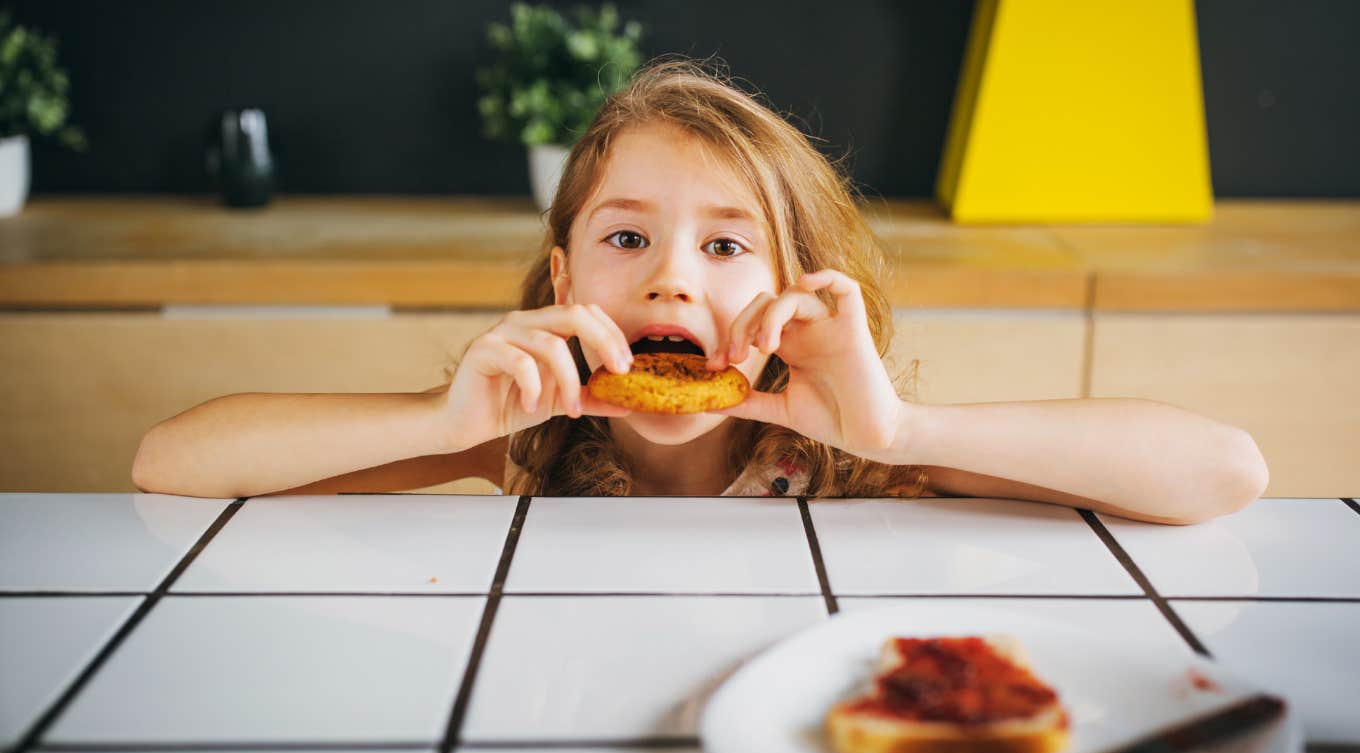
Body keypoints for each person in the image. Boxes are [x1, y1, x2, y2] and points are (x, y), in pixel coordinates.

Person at [131, 58, 1268, 524]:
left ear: (797, 295)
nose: (672, 273)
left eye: (728, 250)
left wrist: (901, 426)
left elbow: (1225, 474)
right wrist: (443, 422)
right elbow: (168, 465)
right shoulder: (526, 443)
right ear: (567, 279)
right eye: (629, 236)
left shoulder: (857, 453)